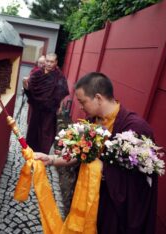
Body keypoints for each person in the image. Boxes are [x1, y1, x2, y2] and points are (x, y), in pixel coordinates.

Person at [35, 72, 158, 234]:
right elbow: (80, 155)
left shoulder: (135, 128)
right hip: (88, 196)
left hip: (113, 206)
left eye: (82, 101)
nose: (80, 107)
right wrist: (50, 159)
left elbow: (139, 183)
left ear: (98, 98)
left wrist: (103, 169)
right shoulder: (94, 121)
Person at [23, 53, 69, 154]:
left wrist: (60, 106)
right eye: (47, 61)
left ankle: (43, 154)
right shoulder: (37, 73)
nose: (49, 64)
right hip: (37, 109)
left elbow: (61, 92)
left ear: (56, 62)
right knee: (33, 131)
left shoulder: (59, 76)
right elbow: (30, 89)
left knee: (46, 134)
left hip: (50, 111)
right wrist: (25, 84)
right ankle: (31, 153)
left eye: (51, 62)